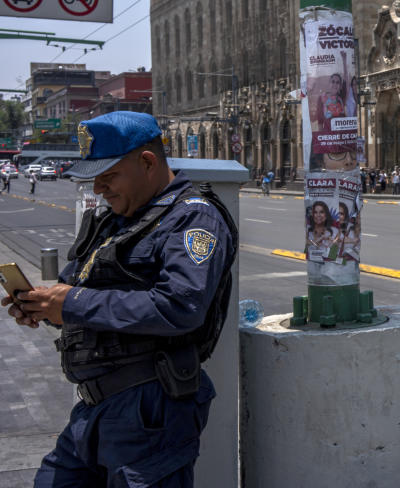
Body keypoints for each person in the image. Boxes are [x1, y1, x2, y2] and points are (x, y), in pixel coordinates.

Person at [2, 111, 238, 486]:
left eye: (108, 177)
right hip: (95, 408)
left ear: (147, 163)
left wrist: (72, 304)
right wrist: (45, 305)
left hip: (149, 409)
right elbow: (77, 289)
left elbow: (181, 307)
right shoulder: (115, 221)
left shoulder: (192, 219)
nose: (99, 189)